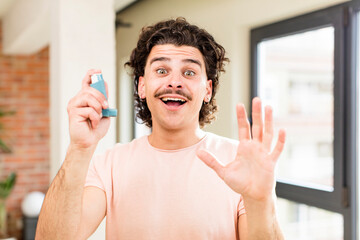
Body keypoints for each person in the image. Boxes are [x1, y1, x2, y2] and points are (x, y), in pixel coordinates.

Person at [36, 18, 286, 240]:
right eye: (161, 70)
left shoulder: (237, 161)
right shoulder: (108, 165)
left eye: (189, 72)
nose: (174, 82)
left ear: (207, 90)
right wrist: (79, 149)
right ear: (142, 87)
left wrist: (260, 202)